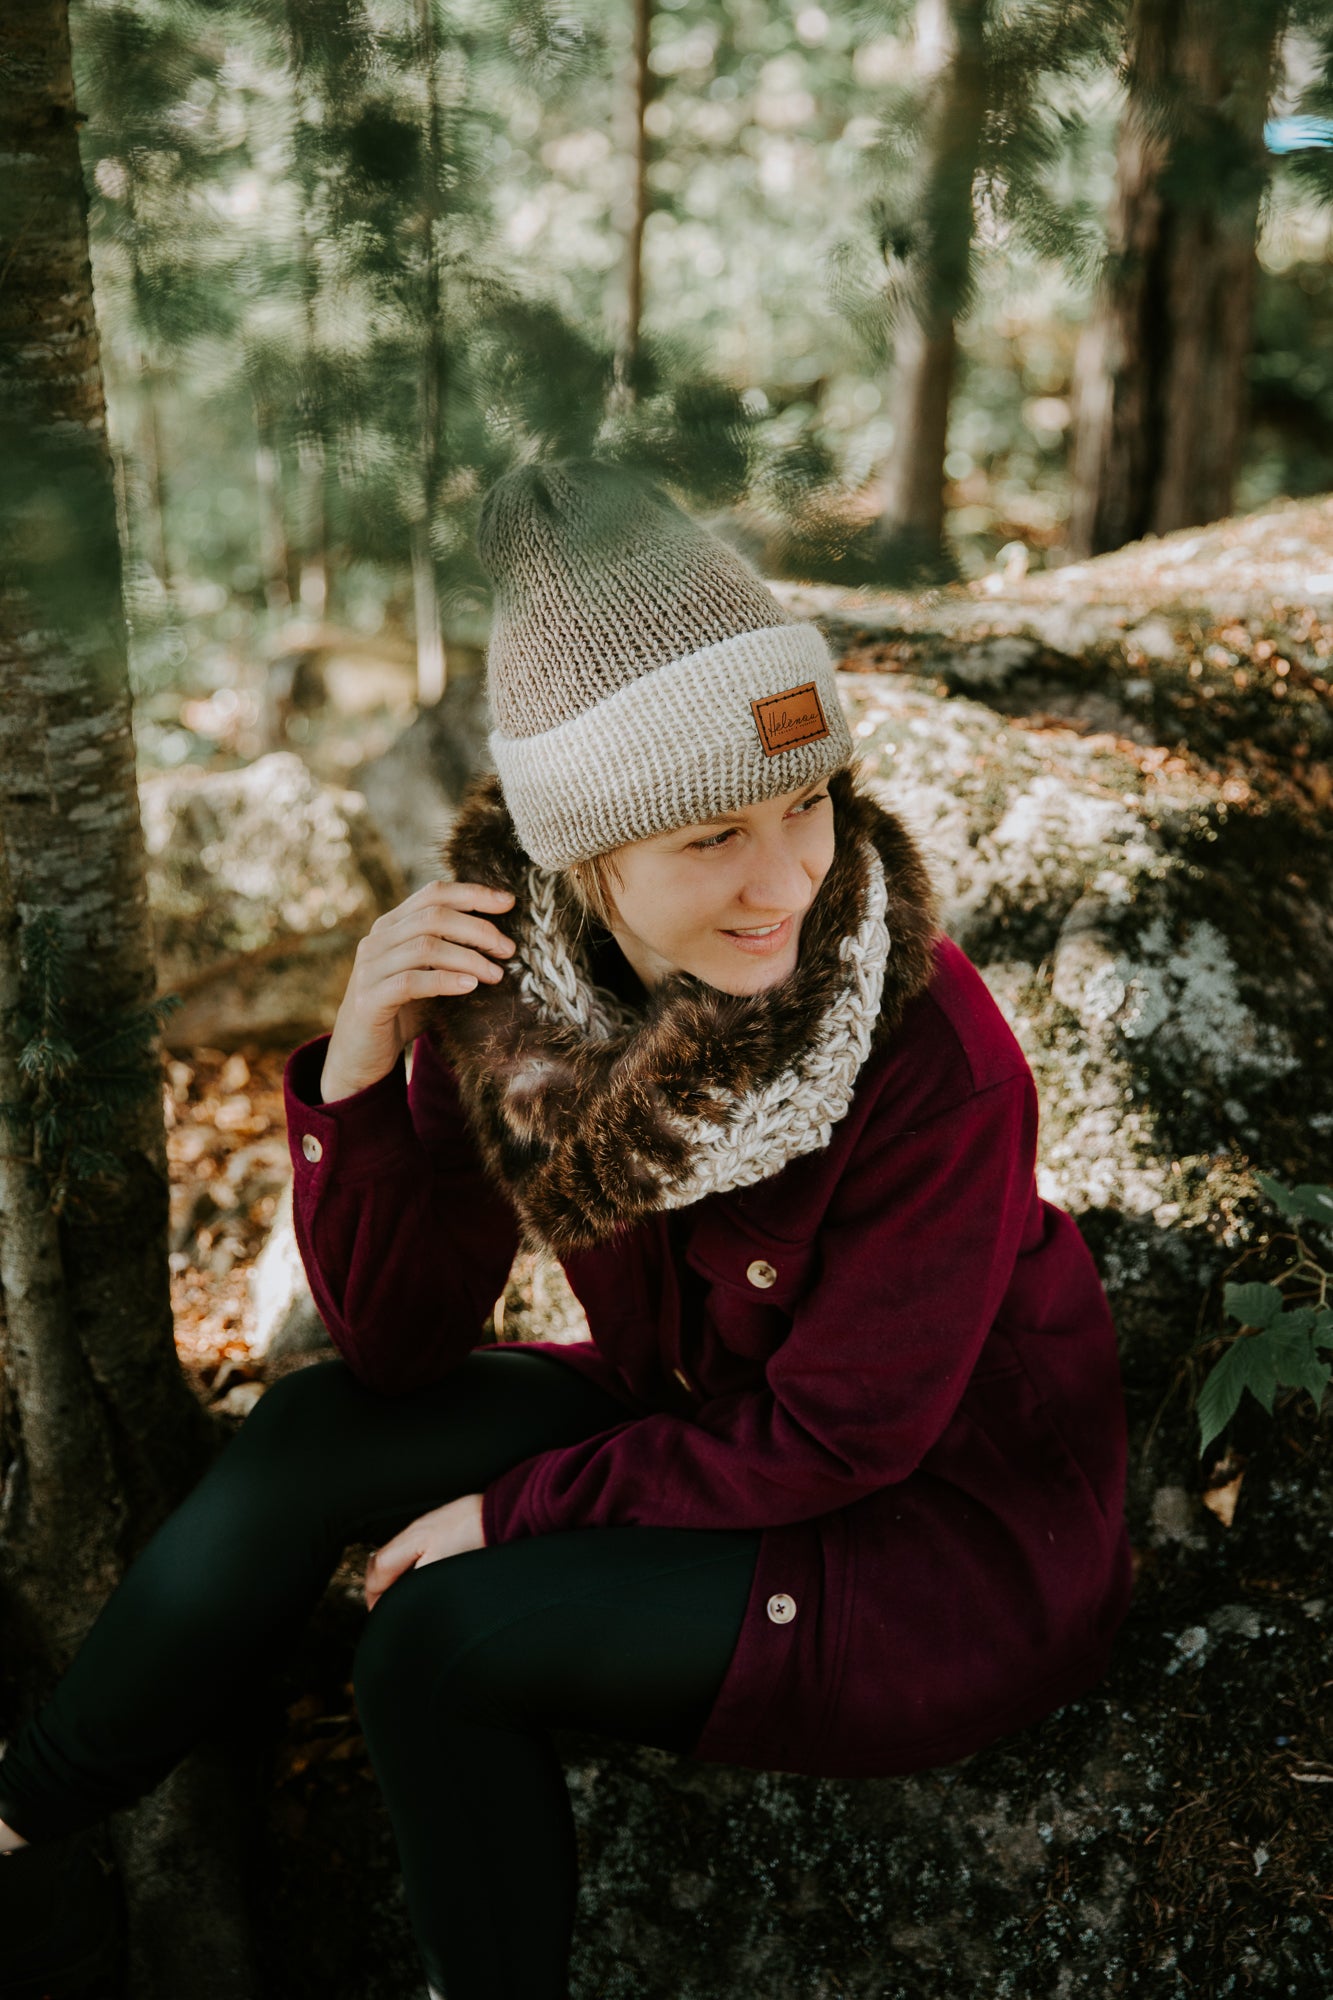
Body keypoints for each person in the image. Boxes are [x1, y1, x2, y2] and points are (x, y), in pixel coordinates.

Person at [0, 459, 1133, 2000]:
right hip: (693, 1419)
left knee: (434, 1644)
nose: (786, 879)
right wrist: (359, 1072)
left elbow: (840, 1438)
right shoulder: (527, 999)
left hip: (925, 1534)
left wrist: (515, 1515)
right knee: (315, 1436)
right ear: (579, 862)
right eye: (709, 837)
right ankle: (31, 1805)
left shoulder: (925, 1045)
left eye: (807, 804)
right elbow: (397, 1349)